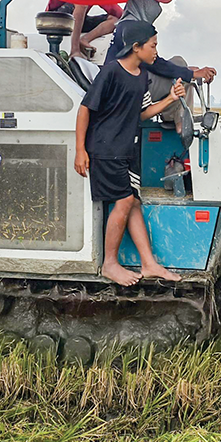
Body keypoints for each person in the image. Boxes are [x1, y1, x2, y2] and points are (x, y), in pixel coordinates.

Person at [74, 20, 185, 287]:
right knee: (123, 201)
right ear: (136, 47)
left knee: (133, 201)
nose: (156, 51)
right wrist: (80, 150)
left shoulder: (142, 76)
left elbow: (142, 113)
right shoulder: (111, 72)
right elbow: (85, 109)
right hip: (106, 149)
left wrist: (170, 98)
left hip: (127, 149)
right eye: (153, 45)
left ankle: (149, 264)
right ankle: (109, 264)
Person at [104, 0, 218, 95]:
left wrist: (186, 71)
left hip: (119, 82)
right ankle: (177, 107)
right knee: (180, 65)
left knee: (181, 68)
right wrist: (190, 74)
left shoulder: (126, 24)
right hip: (125, 87)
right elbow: (155, 65)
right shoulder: (134, 27)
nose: (158, 8)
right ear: (142, 1)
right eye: (155, 2)